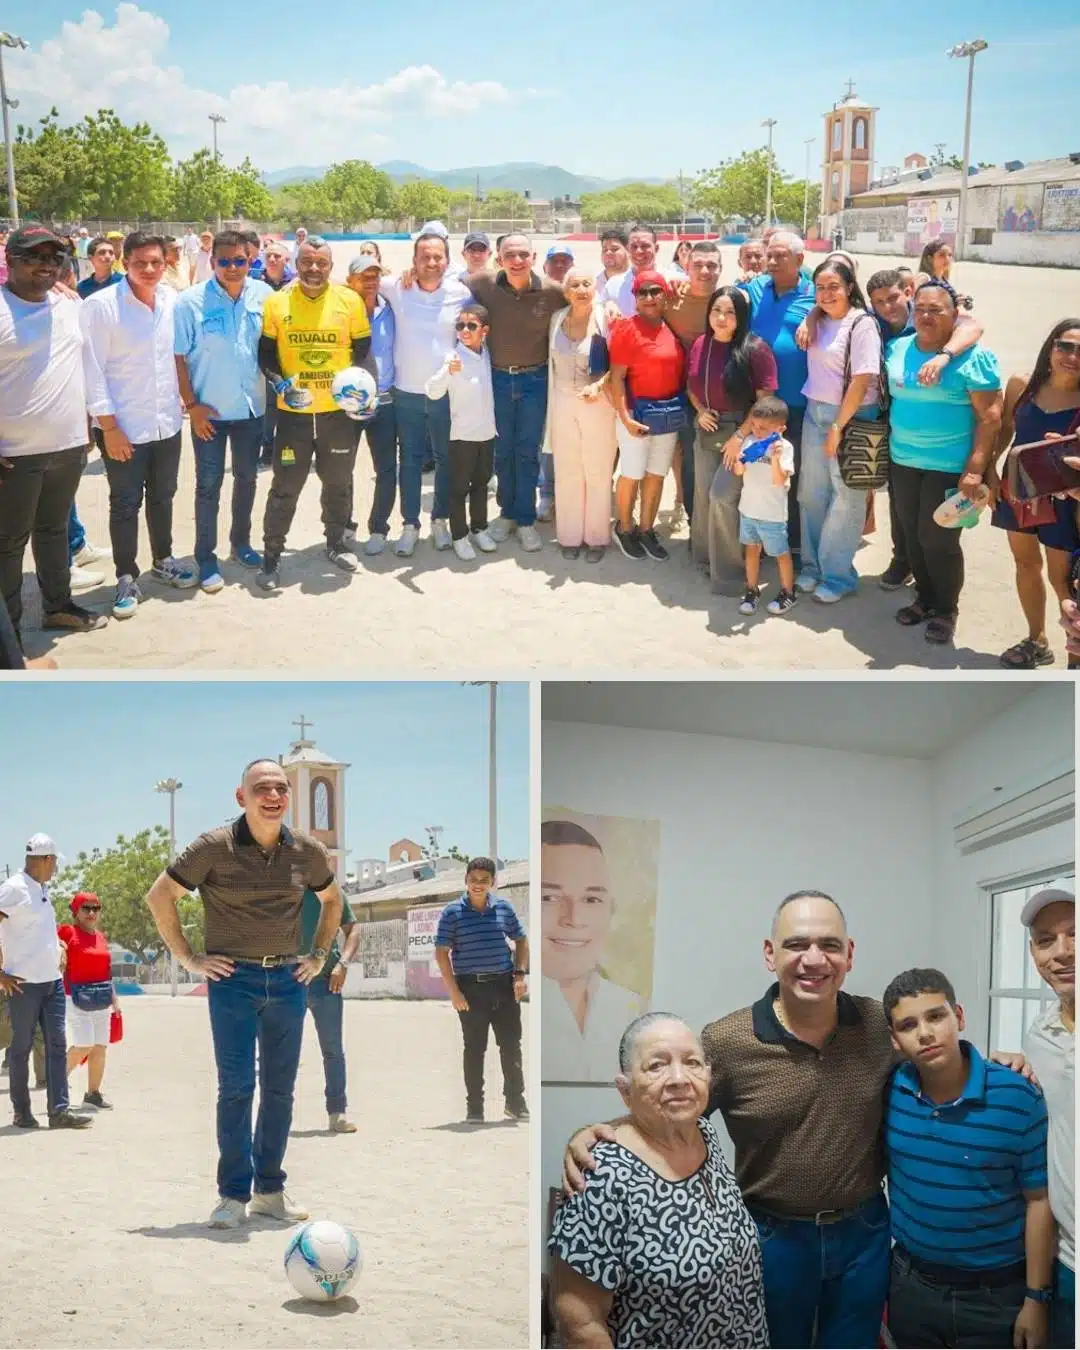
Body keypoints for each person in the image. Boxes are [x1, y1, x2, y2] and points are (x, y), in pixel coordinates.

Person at [144, 757, 344, 1228]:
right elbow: (159, 896)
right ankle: (233, 1196)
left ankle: (270, 1191)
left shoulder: (308, 852)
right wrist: (189, 959)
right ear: (241, 797)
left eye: (281, 788)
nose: (273, 796)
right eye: (261, 789)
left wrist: (318, 955)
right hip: (232, 983)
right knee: (236, 1088)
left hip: (289, 983)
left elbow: (333, 900)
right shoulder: (213, 847)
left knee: (280, 1090)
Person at [549, 1012, 769, 1349]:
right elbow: (580, 1325)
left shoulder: (704, 1134)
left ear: (708, 1076)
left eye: (692, 1062)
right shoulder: (600, 1174)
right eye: (656, 1066)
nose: (679, 1078)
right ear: (625, 1090)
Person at [882, 967, 1052, 1350]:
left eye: (936, 1016)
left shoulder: (1017, 1095)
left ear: (958, 1017)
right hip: (912, 1286)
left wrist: (1036, 1299)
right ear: (895, 1040)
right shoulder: (890, 1092)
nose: (925, 1033)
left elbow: (1039, 1201)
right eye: (908, 1025)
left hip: (997, 1294)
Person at [0, 225, 108, 651]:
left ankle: (58, 606)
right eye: (34, 256)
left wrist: (89, 424)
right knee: (9, 544)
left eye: (54, 257)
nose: (46, 265)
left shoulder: (69, 305)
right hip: (13, 454)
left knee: (54, 530)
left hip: (68, 446)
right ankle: (8, 636)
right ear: (10, 260)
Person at [81, 230, 197, 620]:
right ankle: (126, 576)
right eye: (140, 263)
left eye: (156, 262)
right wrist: (109, 428)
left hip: (166, 424)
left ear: (166, 263)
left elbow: (177, 358)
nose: (149, 269)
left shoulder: (171, 300)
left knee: (164, 496)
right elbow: (92, 371)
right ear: (124, 262)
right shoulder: (101, 307)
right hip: (124, 428)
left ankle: (163, 560)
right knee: (125, 503)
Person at [885, 280, 1003, 646]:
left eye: (936, 310)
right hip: (902, 460)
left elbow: (991, 418)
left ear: (955, 315)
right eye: (920, 309)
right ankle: (924, 598)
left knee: (938, 540)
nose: (926, 316)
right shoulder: (898, 348)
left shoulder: (974, 358)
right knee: (911, 535)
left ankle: (946, 609)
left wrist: (976, 468)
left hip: (949, 465)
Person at [257, 235, 372, 590]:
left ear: (331, 267)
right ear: (296, 264)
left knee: (338, 482)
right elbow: (266, 354)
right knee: (285, 486)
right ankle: (272, 556)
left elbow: (363, 349)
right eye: (306, 261)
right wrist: (279, 384)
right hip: (294, 415)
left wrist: (358, 389)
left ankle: (336, 543)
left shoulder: (349, 300)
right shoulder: (277, 302)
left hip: (336, 414)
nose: (314, 268)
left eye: (321, 263)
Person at [864, 270, 985, 593]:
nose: (888, 307)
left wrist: (944, 355)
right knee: (902, 510)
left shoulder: (930, 319)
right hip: (898, 434)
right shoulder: (878, 326)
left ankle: (940, 599)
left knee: (936, 531)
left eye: (893, 298)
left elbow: (973, 326)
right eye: (879, 302)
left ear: (907, 292)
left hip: (944, 453)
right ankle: (904, 562)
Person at [174, 229, 273, 594]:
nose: (232, 268)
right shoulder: (189, 302)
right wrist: (192, 407)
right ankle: (206, 557)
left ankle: (241, 543)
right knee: (208, 486)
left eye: (240, 261)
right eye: (224, 261)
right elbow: (177, 358)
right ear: (212, 261)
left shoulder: (265, 295)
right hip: (209, 415)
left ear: (251, 261)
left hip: (251, 410)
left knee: (247, 480)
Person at [989, 319, 1080, 669]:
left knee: (1065, 581)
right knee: (1025, 564)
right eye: (1065, 346)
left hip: (1065, 503)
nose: (1072, 356)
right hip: (1018, 492)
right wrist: (990, 469)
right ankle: (1037, 640)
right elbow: (1004, 429)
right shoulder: (1022, 385)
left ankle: (1075, 659)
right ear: (1051, 347)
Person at [465, 235, 566, 551]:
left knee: (527, 451)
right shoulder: (482, 284)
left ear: (534, 257)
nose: (517, 260)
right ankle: (507, 514)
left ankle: (525, 519)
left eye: (524, 254)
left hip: (535, 380)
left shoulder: (552, 291)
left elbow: (584, 304)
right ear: (499, 258)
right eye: (510, 254)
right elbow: (443, 288)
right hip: (496, 379)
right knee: (502, 451)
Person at [794, 259, 883, 603]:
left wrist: (838, 426)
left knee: (846, 498)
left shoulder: (862, 324)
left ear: (849, 287)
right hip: (814, 411)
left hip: (850, 416)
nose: (827, 294)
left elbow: (862, 380)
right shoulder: (819, 319)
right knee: (811, 493)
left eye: (834, 286)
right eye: (820, 287)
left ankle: (837, 576)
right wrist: (811, 315)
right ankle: (812, 567)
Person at [381, 232, 471, 556]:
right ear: (414, 261)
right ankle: (410, 525)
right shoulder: (395, 287)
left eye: (437, 257)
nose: (431, 263)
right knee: (410, 460)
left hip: (445, 393)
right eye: (424, 257)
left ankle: (440, 521)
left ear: (447, 260)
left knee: (446, 459)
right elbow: (357, 280)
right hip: (406, 393)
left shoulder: (461, 293)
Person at [686, 285, 778, 587]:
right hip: (708, 428)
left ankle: (729, 573)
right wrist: (700, 410)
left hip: (745, 432)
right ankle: (704, 558)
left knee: (722, 496)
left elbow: (765, 402)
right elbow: (691, 385)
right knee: (703, 496)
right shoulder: (701, 344)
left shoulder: (756, 349)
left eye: (729, 312)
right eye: (716, 310)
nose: (721, 318)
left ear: (741, 316)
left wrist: (740, 437)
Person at [540, 820, 644, 1082]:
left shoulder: (631, 1009)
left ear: (611, 909)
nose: (573, 919)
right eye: (550, 898)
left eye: (591, 899)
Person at [0, 833, 91, 1131]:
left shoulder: (41, 889)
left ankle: (59, 1111)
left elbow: (38, 930)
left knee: (57, 1045)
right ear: (47, 859)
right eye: (54, 863)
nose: (55, 869)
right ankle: (22, 1112)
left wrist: (59, 946)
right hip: (23, 984)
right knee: (21, 1048)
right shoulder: (14, 888)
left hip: (52, 982)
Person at [1020, 881, 1075, 1349]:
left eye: (1075, 934)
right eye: (1045, 940)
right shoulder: (1040, 1035)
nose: (1062, 952)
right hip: (1067, 1261)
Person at [433, 856, 528, 1123]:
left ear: (493, 882)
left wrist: (519, 975)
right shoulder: (452, 912)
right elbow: (441, 952)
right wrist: (454, 992)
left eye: (484, 880)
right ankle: (475, 1107)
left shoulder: (503, 908)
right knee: (474, 1049)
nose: (478, 885)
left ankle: (515, 1102)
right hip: (470, 989)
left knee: (511, 1046)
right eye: (473, 879)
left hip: (504, 987)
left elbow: (521, 940)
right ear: (466, 880)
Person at [741, 231, 816, 563]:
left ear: (799, 259)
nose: (770, 261)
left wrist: (813, 315)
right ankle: (757, 543)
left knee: (791, 477)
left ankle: (793, 547)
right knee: (757, 475)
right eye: (768, 255)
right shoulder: (757, 286)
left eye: (780, 256)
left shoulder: (814, 293)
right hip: (758, 406)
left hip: (796, 407)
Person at [608, 271, 687, 562]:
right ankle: (624, 527)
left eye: (656, 291)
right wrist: (625, 418)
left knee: (656, 473)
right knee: (631, 473)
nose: (650, 297)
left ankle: (646, 529)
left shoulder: (672, 327)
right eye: (643, 292)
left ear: (666, 294)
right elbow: (616, 378)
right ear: (635, 298)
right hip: (636, 413)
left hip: (667, 414)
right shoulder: (626, 328)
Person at [546, 270, 616, 561]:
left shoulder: (607, 318)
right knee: (567, 469)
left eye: (587, 283)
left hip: (598, 401)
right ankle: (570, 536)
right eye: (574, 285)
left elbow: (619, 363)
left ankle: (597, 538)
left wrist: (598, 386)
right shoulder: (556, 319)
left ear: (595, 287)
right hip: (561, 401)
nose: (581, 289)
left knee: (597, 468)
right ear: (566, 293)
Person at [425, 302, 498, 561]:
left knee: (481, 484)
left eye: (471, 325)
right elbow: (432, 391)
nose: (464, 330)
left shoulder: (487, 354)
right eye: (460, 325)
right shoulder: (453, 357)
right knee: (458, 489)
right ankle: (459, 536)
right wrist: (447, 372)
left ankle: (480, 529)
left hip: (487, 433)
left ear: (484, 330)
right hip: (462, 436)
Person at [665, 240, 723, 534]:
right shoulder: (670, 297)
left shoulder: (730, 300)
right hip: (683, 394)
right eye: (698, 265)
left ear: (721, 269)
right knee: (689, 460)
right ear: (686, 267)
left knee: (721, 462)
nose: (705, 271)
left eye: (711, 265)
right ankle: (695, 524)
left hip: (722, 396)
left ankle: (720, 528)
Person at [343, 256, 398, 556]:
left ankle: (379, 528)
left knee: (386, 469)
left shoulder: (391, 309)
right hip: (348, 402)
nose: (370, 281)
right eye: (363, 276)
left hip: (385, 401)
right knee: (342, 469)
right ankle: (345, 525)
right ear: (349, 280)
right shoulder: (339, 310)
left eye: (375, 275)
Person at [299, 886, 361, 1134]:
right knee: (277, 1052)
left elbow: (353, 929)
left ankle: (337, 1113)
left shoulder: (332, 892)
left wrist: (343, 964)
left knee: (333, 1051)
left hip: (326, 984)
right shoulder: (285, 886)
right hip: (289, 982)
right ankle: (273, 1117)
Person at [734, 395, 798, 616]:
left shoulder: (785, 448)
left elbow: (780, 481)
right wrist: (740, 460)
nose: (756, 431)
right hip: (748, 509)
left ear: (780, 429)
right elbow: (739, 472)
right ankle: (752, 590)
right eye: (754, 425)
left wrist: (775, 458)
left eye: (763, 428)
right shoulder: (749, 441)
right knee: (751, 551)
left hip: (772, 514)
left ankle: (788, 592)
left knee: (780, 554)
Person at [57, 892, 119, 1111]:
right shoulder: (67, 931)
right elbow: (52, 948)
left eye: (96, 908)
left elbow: (107, 972)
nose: (92, 912)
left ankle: (93, 1095)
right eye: (86, 908)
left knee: (99, 1047)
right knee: (84, 1044)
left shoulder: (101, 937)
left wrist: (115, 1000)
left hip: (102, 998)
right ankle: (56, 1085)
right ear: (76, 911)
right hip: (75, 997)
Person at [602, 224, 673, 318]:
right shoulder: (613, 286)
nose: (639, 251)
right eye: (634, 246)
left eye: (645, 246)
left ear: (656, 248)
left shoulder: (673, 281)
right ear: (628, 249)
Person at [915, 237, 972, 309]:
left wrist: (956, 299)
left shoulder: (943, 280)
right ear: (930, 259)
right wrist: (952, 303)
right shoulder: (924, 278)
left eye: (950, 255)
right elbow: (919, 305)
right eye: (941, 255)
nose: (947, 259)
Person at [595, 227, 630, 291]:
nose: (608, 253)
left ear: (628, 250)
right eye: (605, 250)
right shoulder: (594, 285)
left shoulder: (640, 281)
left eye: (614, 249)